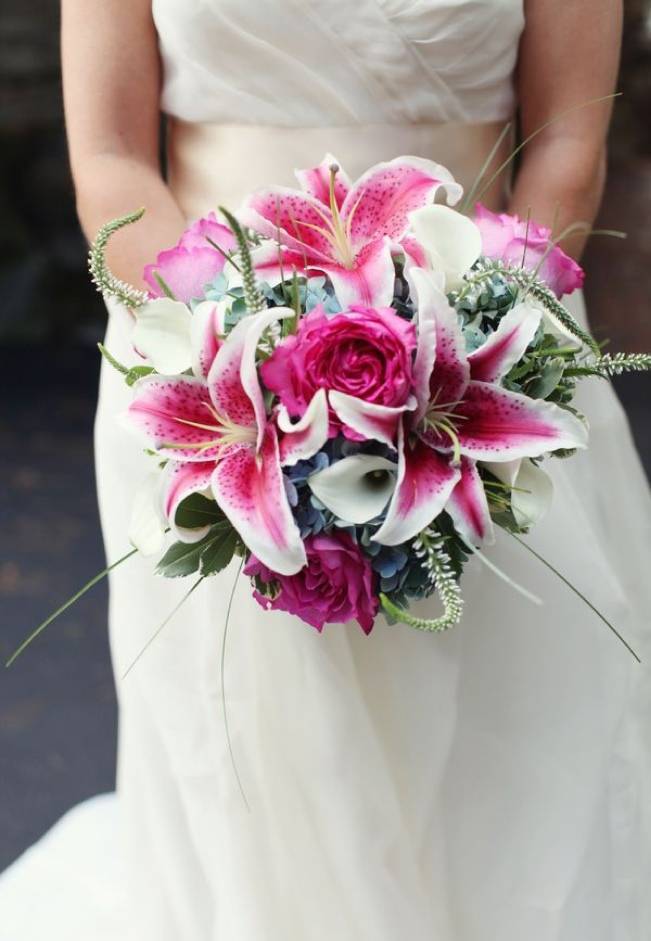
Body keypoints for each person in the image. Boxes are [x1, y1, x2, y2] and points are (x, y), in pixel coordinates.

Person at [1, 2, 649, 939]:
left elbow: (566, 148)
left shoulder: (475, 360)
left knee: (507, 760)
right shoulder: (214, 376)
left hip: (477, 378)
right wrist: (239, 373)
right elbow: (110, 161)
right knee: (266, 769)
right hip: (208, 384)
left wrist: (458, 348)